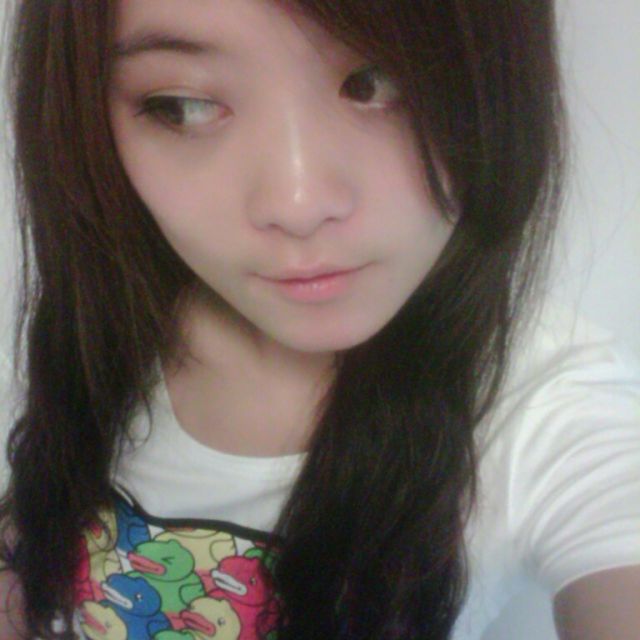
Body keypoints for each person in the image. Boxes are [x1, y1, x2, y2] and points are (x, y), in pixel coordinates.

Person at [0, 0, 638, 638]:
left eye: (376, 83)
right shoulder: (92, 323)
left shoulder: (551, 415)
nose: (298, 204)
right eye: (182, 105)